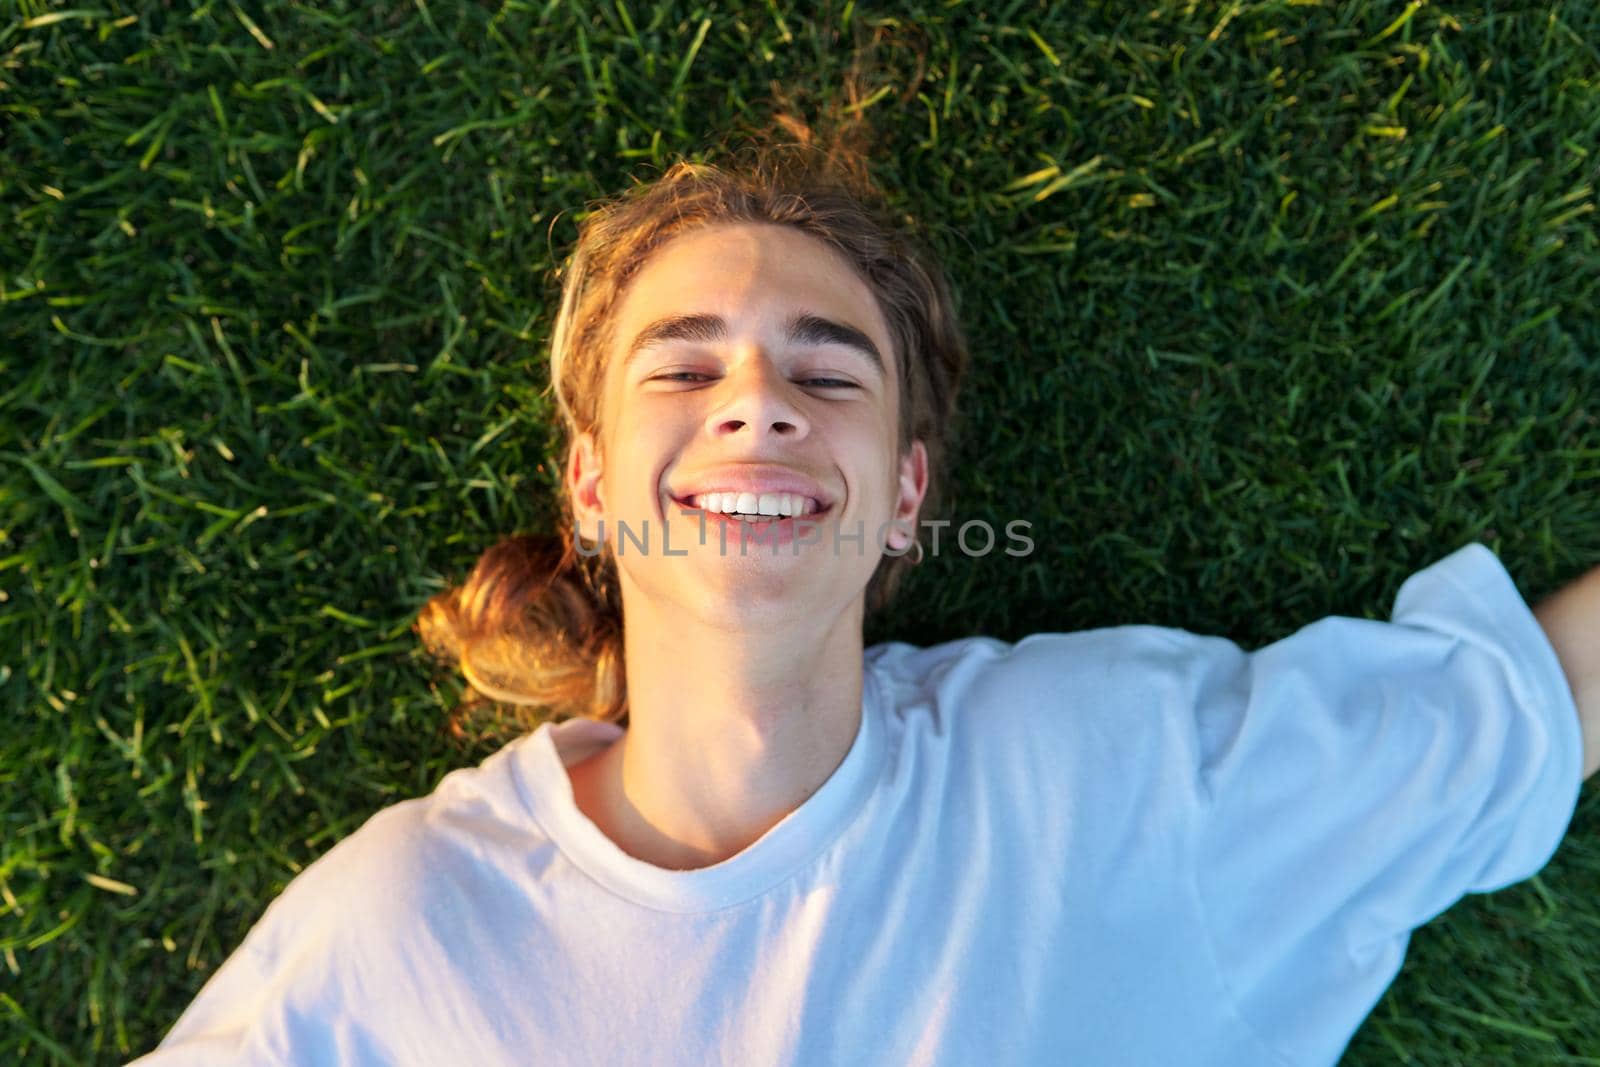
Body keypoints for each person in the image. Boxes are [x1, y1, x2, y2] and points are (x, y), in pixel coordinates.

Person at [129, 111, 1599, 1067]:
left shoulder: (1109, 783)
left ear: (903, 497)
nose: (758, 399)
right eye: (684, 365)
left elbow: (1534, 703)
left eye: (828, 370)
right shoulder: (405, 934)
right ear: (589, 485)